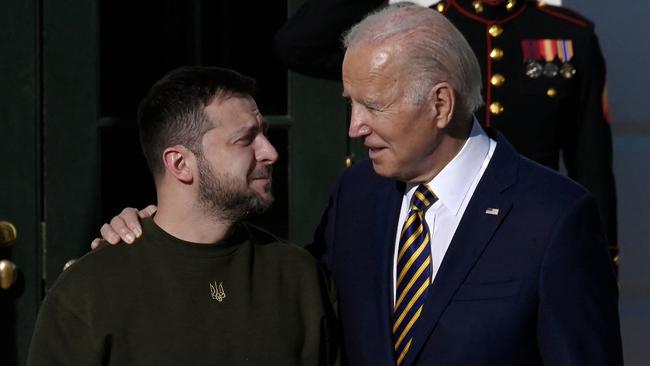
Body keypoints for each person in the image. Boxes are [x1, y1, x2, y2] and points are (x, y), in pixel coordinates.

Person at [97, 4, 622, 365]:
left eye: (373, 105)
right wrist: (161, 236)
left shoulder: (553, 218)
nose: (354, 126)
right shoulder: (359, 194)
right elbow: (283, 297)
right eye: (351, 103)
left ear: (439, 105)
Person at [28, 67, 339, 366]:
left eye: (265, 134)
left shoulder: (299, 277)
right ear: (179, 163)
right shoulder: (89, 292)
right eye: (245, 140)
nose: (270, 152)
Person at [274, 0, 620, 266]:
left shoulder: (568, 35)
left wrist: (600, 261)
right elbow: (298, 45)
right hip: (431, 223)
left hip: (528, 233)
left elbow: (592, 166)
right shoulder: (426, 32)